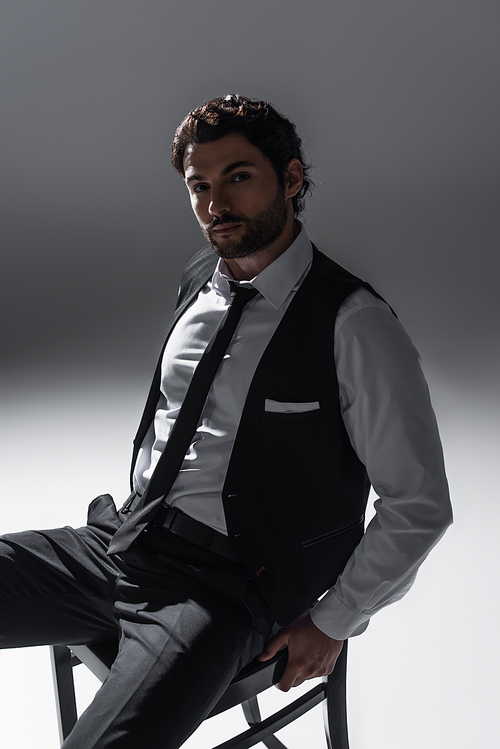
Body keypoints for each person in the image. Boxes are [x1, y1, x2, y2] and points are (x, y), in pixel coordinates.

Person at [0, 95, 452, 748]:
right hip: (124, 544)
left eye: (238, 177)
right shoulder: (198, 280)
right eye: (199, 185)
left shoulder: (352, 325)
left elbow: (420, 503)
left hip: (220, 593)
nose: (216, 204)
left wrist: (333, 621)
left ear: (291, 179)